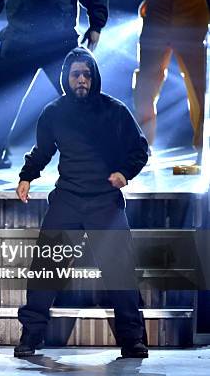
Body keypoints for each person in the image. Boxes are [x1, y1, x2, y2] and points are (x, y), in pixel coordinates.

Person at [15, 47, 149, 359]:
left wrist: (124, 173)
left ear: (94, 78)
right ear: (67, 78)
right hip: (68, 199)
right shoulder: (54, 112)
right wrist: (27, 176)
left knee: (121, 272)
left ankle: (132, 340)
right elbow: (43, 150)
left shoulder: (114, 110)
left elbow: (139, 149)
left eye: (87, 75)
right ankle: (31, 336)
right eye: (76, 75)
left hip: (104, 200)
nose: (81, 80)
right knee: (45, 271)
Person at [0, 0, 109, 179]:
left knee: (81, 98)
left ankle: (97, 157)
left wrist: (96, 23)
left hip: (59, 39)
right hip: (20, 39)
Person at [129, 0, 209, 163]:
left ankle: (203, 147)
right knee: (146, 81)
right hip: (158, 1)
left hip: (191, 1)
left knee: (197, 82)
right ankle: (143, 144)